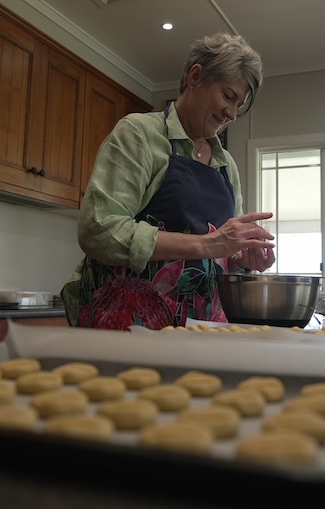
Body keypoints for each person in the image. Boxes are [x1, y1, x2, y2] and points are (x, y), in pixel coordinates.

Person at [61, 32, 275, 330]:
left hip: (203, 330)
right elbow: (99, 230)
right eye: (228, 96)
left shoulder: (227, 165)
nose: (232, 114)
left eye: (239, 105)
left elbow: (222, 250)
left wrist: (242, 258)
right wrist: (205, 244)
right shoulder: (138, 134)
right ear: (196, 76)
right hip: (129, 326)